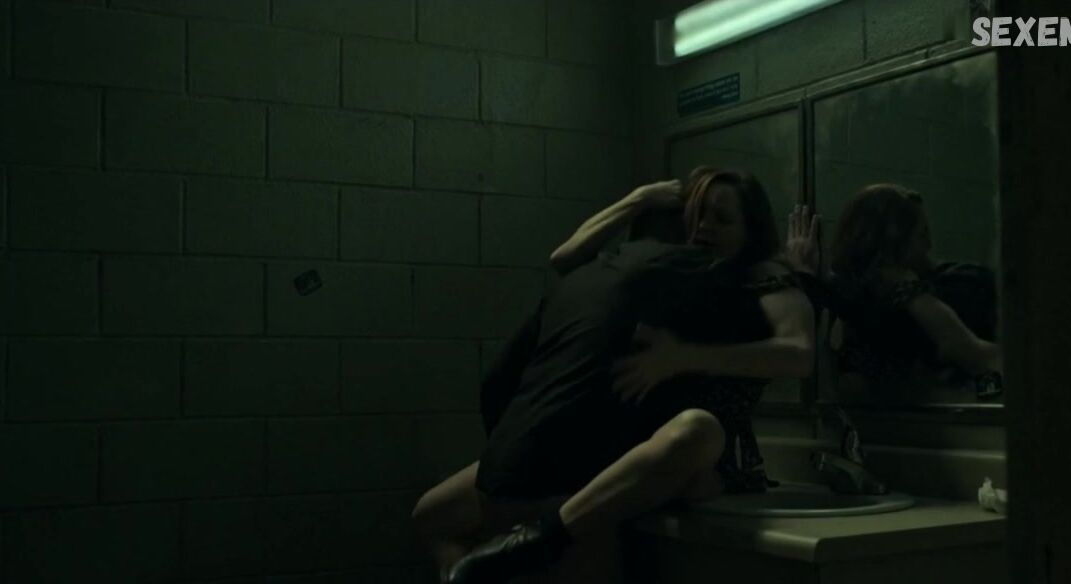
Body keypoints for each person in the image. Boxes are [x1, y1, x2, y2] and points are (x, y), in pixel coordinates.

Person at [411, 167, 819, 583]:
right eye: (696, 214)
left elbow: (799, 355)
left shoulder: (761, 276)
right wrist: (638, 199)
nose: (703, 227)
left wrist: (683, 356)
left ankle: (526, 543)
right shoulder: (677, 275)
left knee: (697, 436)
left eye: (722, 218)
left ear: (752, 233)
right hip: (610, 453)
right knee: (432, 515)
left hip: (687, 462)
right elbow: (564, 259)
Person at [812, 183, 1002, 401]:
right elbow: (843, 389)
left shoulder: (963, 286)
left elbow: (997, 372)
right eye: (921, 235)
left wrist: (916, 296)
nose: (929, 245)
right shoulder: (856, 302)